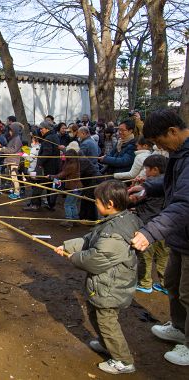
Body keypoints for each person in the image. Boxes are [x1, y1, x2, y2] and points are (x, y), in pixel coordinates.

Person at [55, 180, 143, 374]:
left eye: (96, 201)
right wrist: (68, 246)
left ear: (109, 204)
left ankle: (123, 360)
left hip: (111, 287)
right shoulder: (117, 220)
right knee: (96, 315)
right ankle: (106, 344)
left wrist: (74, 257)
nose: (94, 203)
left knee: (107, 323)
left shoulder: (115, 235)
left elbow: (96, 258)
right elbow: (90, 239)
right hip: (104, 285)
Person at [131, 110, 189, 366]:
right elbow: (174, 182)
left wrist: (150, 232)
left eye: (159, 141)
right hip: (182, 235)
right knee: (174, 285)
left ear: (173, 132)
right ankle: (179, 327)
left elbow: (186, 202)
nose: (158, 147)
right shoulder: (181, 154)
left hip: (184, 230)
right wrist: (148, 187)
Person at [129, 154, 169, 294]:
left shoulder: (149, 187)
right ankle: (165, 284)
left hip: (148, 225)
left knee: (145, 255)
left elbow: (134, 200)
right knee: (163, 256)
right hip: (166, 225)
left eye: (147, 169)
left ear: (155, 170)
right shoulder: (170, 182)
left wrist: (134, 186)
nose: (145, 171)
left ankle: (145, 283)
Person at [25, 121, 60, 211]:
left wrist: (39, 164)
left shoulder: (48, 138)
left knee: (39, 185)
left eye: (42, 128)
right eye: (40, 129)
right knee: (49, 186)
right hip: (54, 167)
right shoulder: (55, 136)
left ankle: (35, 205)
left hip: (47, 167)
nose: (40, 130)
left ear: (47, 128)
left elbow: (47, 153)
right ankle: (50, 204)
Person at [50, 148, 82, 228]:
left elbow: (62, 174)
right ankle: (75, 220)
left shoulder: (71, 165)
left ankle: (69, 221)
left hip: (73, 187)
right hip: (78, 187)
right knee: (73, 204)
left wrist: (51, 176)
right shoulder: (76, 163)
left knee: (67, 204)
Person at [0, 122, 23, 199]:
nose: (10, 132)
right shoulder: (13, 138)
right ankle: (13, 190)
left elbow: (13, 150)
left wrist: (3, 149)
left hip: (14, 161)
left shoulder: (17, 139)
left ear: (15, 130)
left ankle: (17, 192)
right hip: (10, 160)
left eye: (11, 130)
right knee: (11, 177)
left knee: (14, 177)